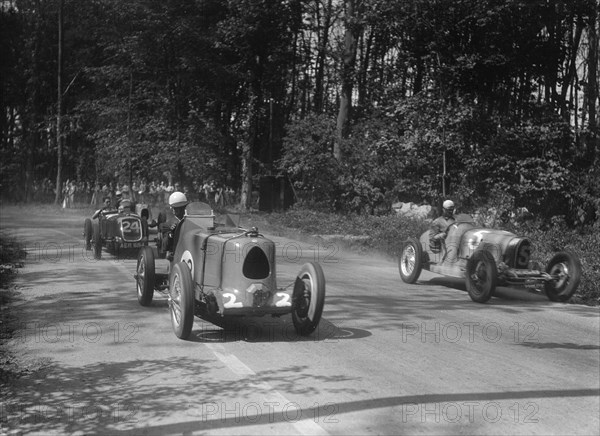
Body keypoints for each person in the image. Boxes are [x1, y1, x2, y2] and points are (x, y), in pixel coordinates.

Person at [160, 191, 189, 260]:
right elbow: (165, 246)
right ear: (172, 209)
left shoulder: (191, 220)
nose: (181, 210)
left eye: (182, 207)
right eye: (177, 208)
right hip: (176, 254)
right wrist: (171, 233)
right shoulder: (167, 225)